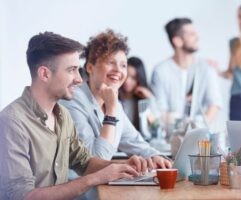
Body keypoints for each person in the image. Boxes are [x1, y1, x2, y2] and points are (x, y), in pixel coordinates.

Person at [0, 32, 150, 200]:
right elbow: (23, 196)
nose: (79, 79)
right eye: (72, 70)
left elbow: (84, 162)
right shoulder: (12, 122)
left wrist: (121, 166)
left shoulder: (62, 115)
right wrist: (98, 177)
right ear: (44, 74)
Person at [60, 30, 171, 167]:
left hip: (103, 185)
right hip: (79, 187)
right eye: (111, 62)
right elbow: (94, 162)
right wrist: (111, 112)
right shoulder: (72, 100)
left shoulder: (114, 105)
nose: (118, 70)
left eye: (123, 65)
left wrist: (156, 156)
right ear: (90, 68)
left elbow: (135, 142)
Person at [151, 18, 222, 126]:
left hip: (200, 136)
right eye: (192, 34)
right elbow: (160, 110)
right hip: (170, 138)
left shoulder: (206, 68)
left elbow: (214, 103)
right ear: (177, 41)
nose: (197, 37)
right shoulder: (160, 71)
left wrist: (199, 129)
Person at [119, 56, 154, 131]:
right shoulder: (115, 97)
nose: (127, 81)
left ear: (139, 79)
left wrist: (150, 99)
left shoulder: (143, 102)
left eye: (133, 78)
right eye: (126, 75)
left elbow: (154, 124)